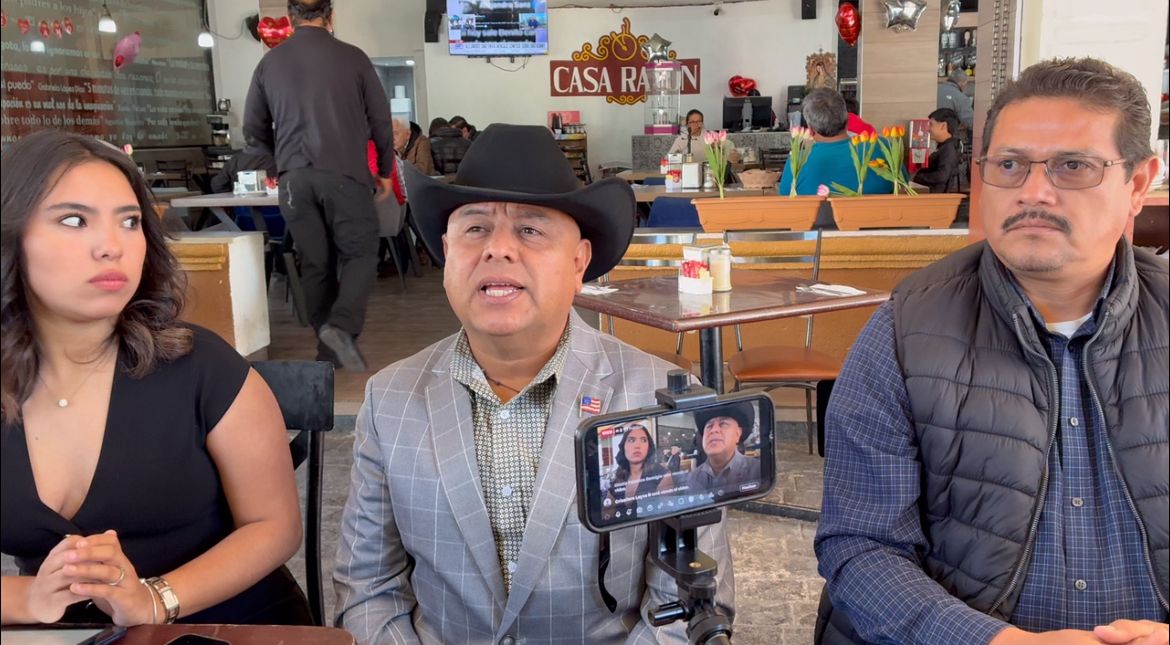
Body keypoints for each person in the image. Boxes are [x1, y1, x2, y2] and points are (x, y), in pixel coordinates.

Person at [333, 124, 734, 643]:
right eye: (475, 228)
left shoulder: (659, 400)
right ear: (447, 253)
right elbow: (367, 588)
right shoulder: (390, 399)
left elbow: (688, 606)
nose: (498, 248)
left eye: (530, 230)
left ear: (578, 262)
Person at [815, 57, 1168, 645]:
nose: (1034, 192)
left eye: (1073, 166)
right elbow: (860, 544)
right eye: (1009, 165)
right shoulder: (906, 330)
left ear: (1137, 184)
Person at [0, 130, 311, 626]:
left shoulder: (202, 366)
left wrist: (154, 599)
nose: (112, 247)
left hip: (223, 624)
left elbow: (273, 525)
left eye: (130, 222)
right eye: (75, 220)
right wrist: (29, 600)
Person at [244, 0, 393, 371]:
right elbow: (380, 118)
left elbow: (253, 128)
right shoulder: (353, 58)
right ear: (331, 16)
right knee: (360, 254)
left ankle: (328, 350)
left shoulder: (269, 64)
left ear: (291, 17)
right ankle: (340, 327)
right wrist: (385, 169)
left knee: (315, 263)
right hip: (344, 174)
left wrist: (277, 167)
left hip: (294, 180)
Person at [778, 88, 894, 198]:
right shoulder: (884, 147)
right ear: (847, 120)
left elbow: (786, 199)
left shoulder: (796, 161)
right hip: (879, 213)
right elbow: (902, 191)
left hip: (817, 213)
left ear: (810, 129)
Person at [602, 423, 675, 520]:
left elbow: (666, 517)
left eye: (643, 440)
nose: (637, 445)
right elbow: (606, 514)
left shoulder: (662, 475)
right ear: (624, 446)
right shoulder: (619, 476)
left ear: (648, 447)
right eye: (631, 440)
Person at [686, 403, 761, 495]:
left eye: (723, 424)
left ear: (738, 433)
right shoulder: (692, 478)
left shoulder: (759, 471)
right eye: (709, 426)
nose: (714, 430)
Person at [912, 108, 963, 193]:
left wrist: (918, 177)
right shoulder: (944, 146)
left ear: (943, 126)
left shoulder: (948, 148)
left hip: (936, 197)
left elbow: (942, 175)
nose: (928, 129)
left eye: (931, 124)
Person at [668, 109, 740, 162]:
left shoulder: (709, 136)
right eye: (692, 122)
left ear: (702, 123)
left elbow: (728, 144)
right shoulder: (682, 139)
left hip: (709, 171)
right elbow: (669, 158)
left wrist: (731, 153)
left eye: (699, 121)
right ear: (687, 124)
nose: (696, 124)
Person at [208, 140, 276, 194]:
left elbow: (217, 185)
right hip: (276, 204)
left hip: (242, 204)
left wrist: (234, 197)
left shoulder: (236, 159)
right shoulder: (278, 158)